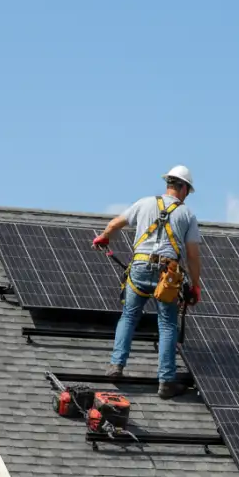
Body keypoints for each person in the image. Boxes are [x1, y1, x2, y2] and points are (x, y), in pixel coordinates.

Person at [93, 165, 202, 400]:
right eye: (187, 191)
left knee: (129, 316)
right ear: (182, 187)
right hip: (168, 275)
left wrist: (103, 237)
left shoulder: (143, 203)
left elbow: (114, 225)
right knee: (167, 325)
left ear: (168, 184)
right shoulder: (187, 215)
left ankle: (116, 366)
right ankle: (165, 382)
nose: (186, 195)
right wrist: (195, 285)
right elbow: (193, 255)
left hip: (140, 268)